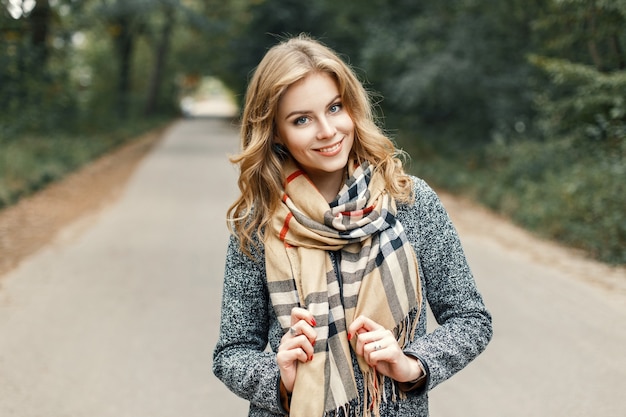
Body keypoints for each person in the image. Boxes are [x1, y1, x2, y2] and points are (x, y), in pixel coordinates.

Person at [212, 34, 492, 417]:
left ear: (352, 108)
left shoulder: (409, 201)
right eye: (302, 119)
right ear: (276, 131)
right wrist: (279, 377)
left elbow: (471, 320)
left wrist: (411, 364)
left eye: (335, 107)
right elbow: (231, 352)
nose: (327, 131)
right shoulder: (258, 225)